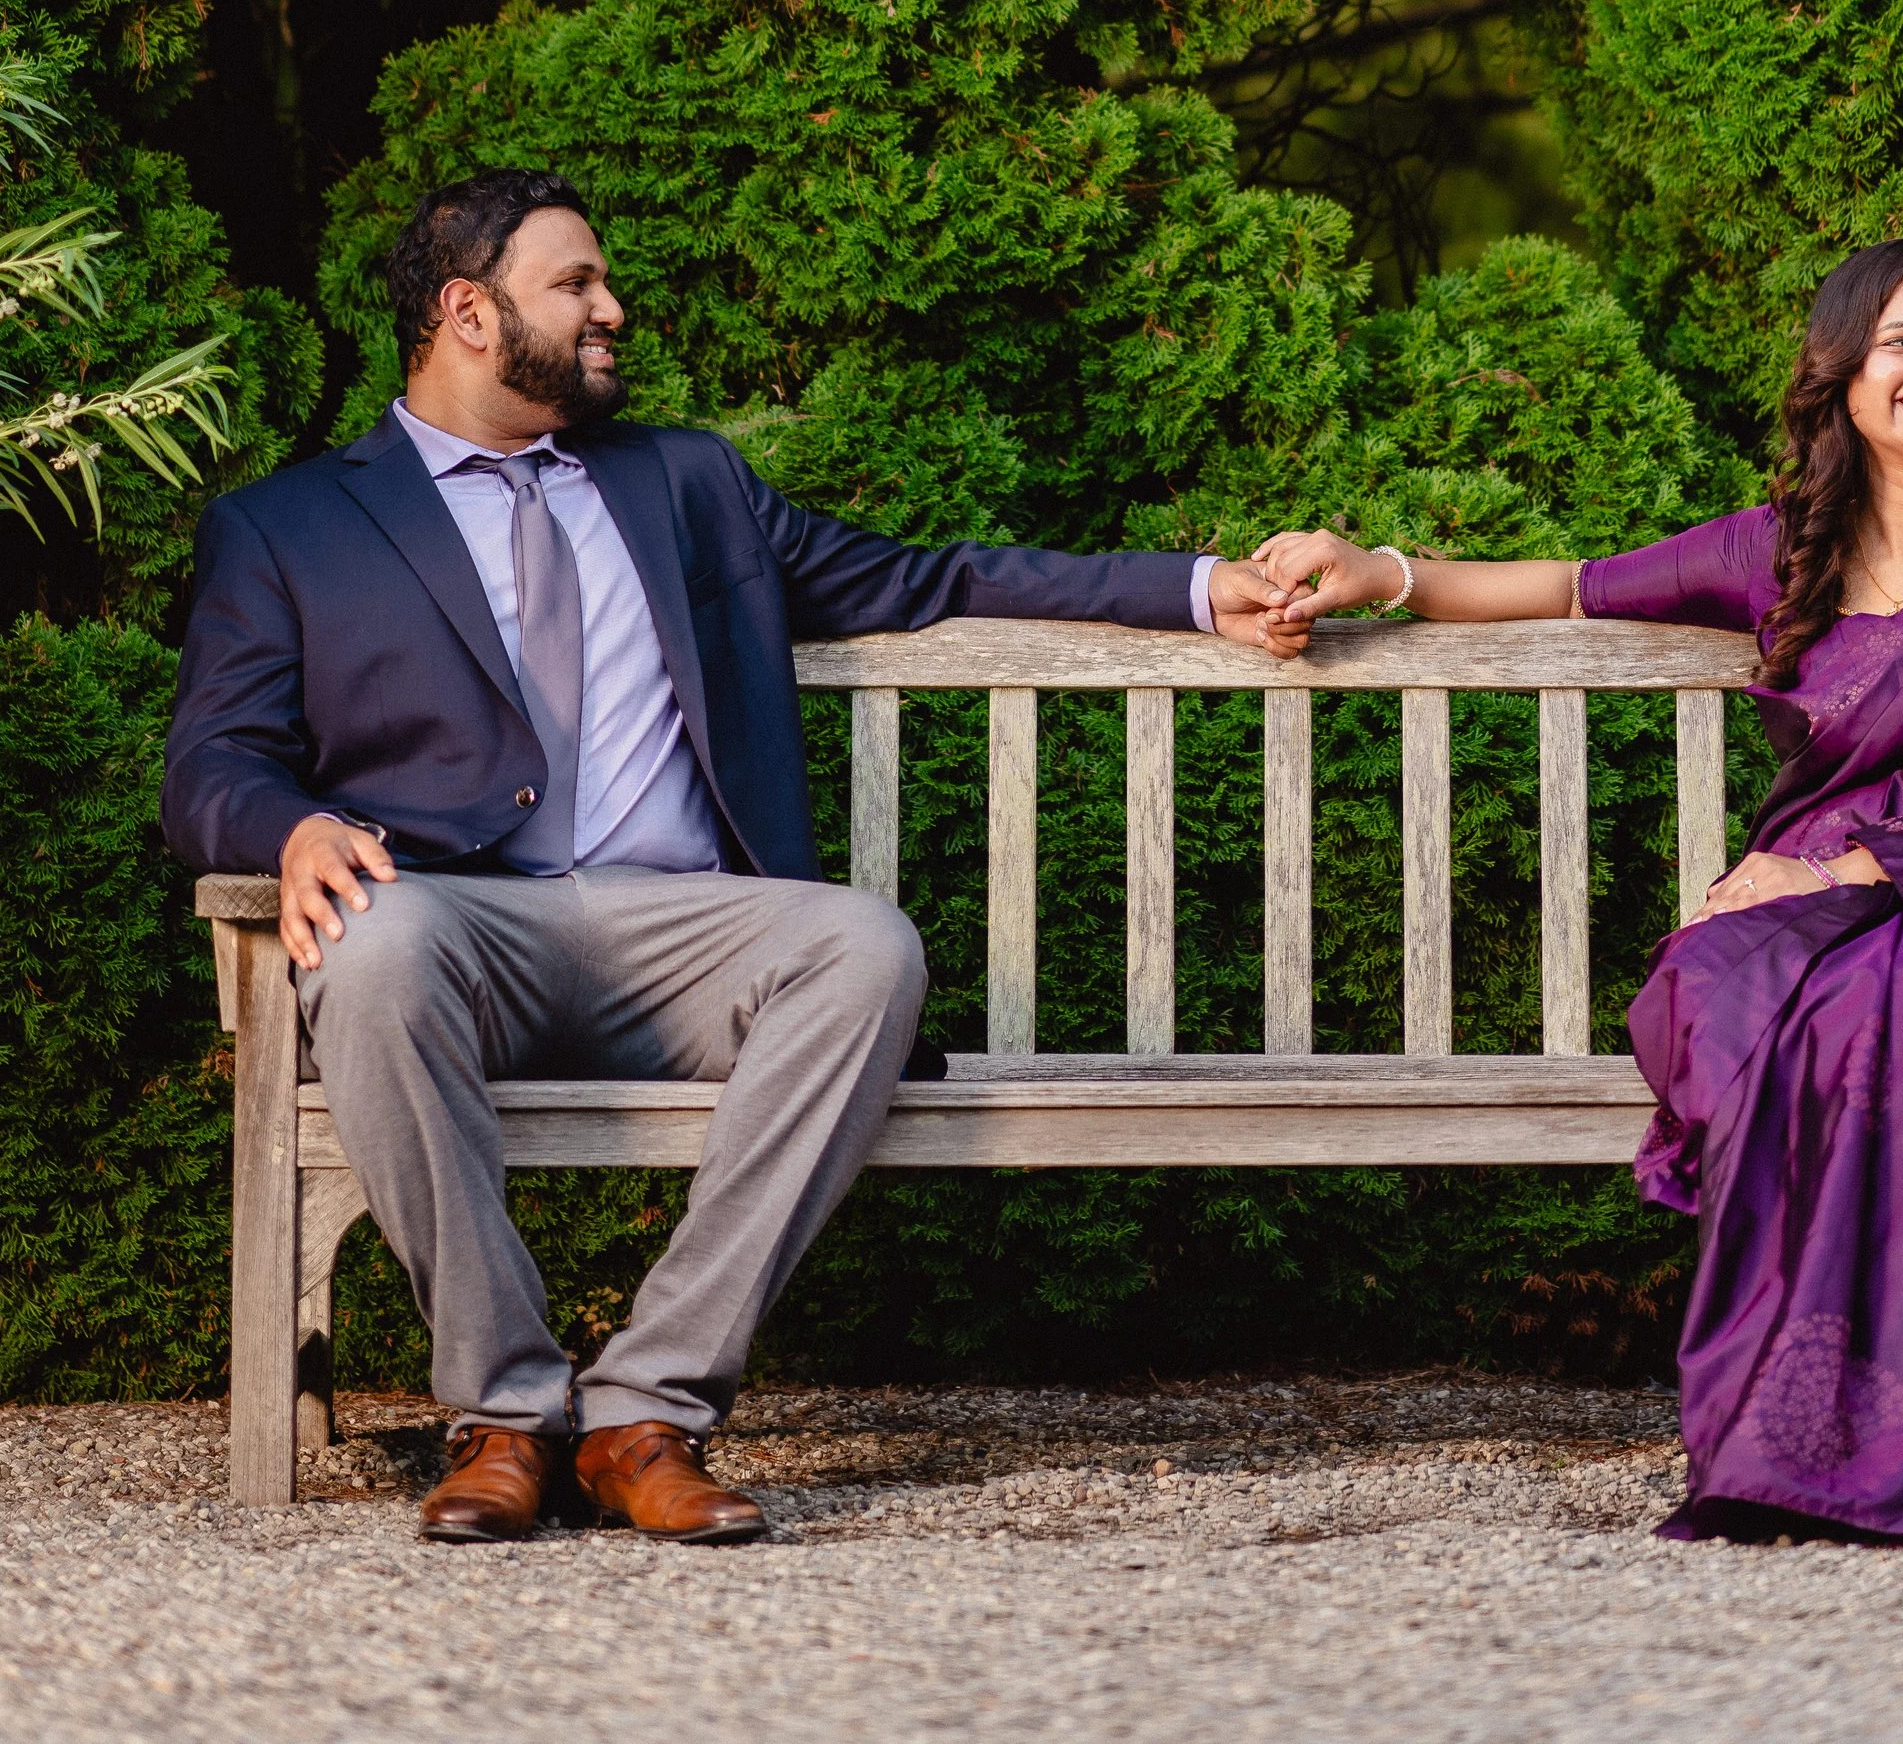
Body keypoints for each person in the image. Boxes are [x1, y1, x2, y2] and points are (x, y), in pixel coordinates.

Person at [163, 168, 1294, 1546]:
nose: (610, 308)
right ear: (469, 310)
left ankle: (648, 1410)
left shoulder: (681, 479)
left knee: (864, 945)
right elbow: (211, 762)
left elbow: (925, 576)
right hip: (456, 921)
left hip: (689, 929)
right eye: (576, 283)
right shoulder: (292, 526)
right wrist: (288, 827)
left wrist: (1193, 584)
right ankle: (509, 1412)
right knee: (371, 938)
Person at [1250, 235, 1903, 1546]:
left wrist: (1854, 861)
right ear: (1845, 374)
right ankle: (1815, 1429)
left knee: (1894, 1016)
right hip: (1812, 904)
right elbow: (1572, 583)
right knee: (1738, 984)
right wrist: (1378, 569)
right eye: (1902, 341)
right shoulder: (1784, 548)